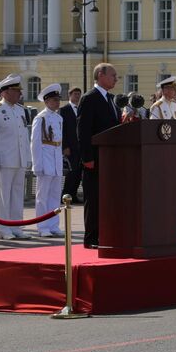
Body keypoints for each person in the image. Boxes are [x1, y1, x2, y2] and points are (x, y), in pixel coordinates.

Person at [76, 63, 121, 249]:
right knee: (93, 199)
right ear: (101, 75)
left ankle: (106, 234)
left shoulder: (111, 99)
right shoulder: (89, 98)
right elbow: (83, 131)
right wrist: (87, 158)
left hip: (110, 158)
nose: (116, 79)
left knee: (107, 199)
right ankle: (92, 238)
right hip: (95, 158)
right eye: (113, 75)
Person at [0, 75, 33, 239]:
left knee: (17, 194)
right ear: (4, 92)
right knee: (3, 195)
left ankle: (16, 226)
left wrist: (27, 157)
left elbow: (24, 136)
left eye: (19, 91)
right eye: (15, 91)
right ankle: (4, 228)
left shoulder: (20, 110)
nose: (19, 94)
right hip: (4, 160)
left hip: (19, 159)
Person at [30, 85, 66, 237]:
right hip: (45, 160)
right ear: (46, 101)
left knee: (55, 195)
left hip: (56, 159)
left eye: (58, 100)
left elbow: (59, 142)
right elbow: (35, 142)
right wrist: (37, 164)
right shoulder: (40, 118)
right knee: (42, 196)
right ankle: (42, 226)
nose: (57, 103)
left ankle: (53, 225)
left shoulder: (59, 118)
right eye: (53, 100)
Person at [62, 87, 83, 204]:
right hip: (69, 147)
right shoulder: (64, 110)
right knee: (72, 171)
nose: (77, 96)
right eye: (75, 94)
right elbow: (63, 130)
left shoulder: (81, 109)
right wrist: (65, 147)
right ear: (70, 95)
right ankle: (66, 194)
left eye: (79, 94)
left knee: (79, 172)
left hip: (79, 146)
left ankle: (73, 195)